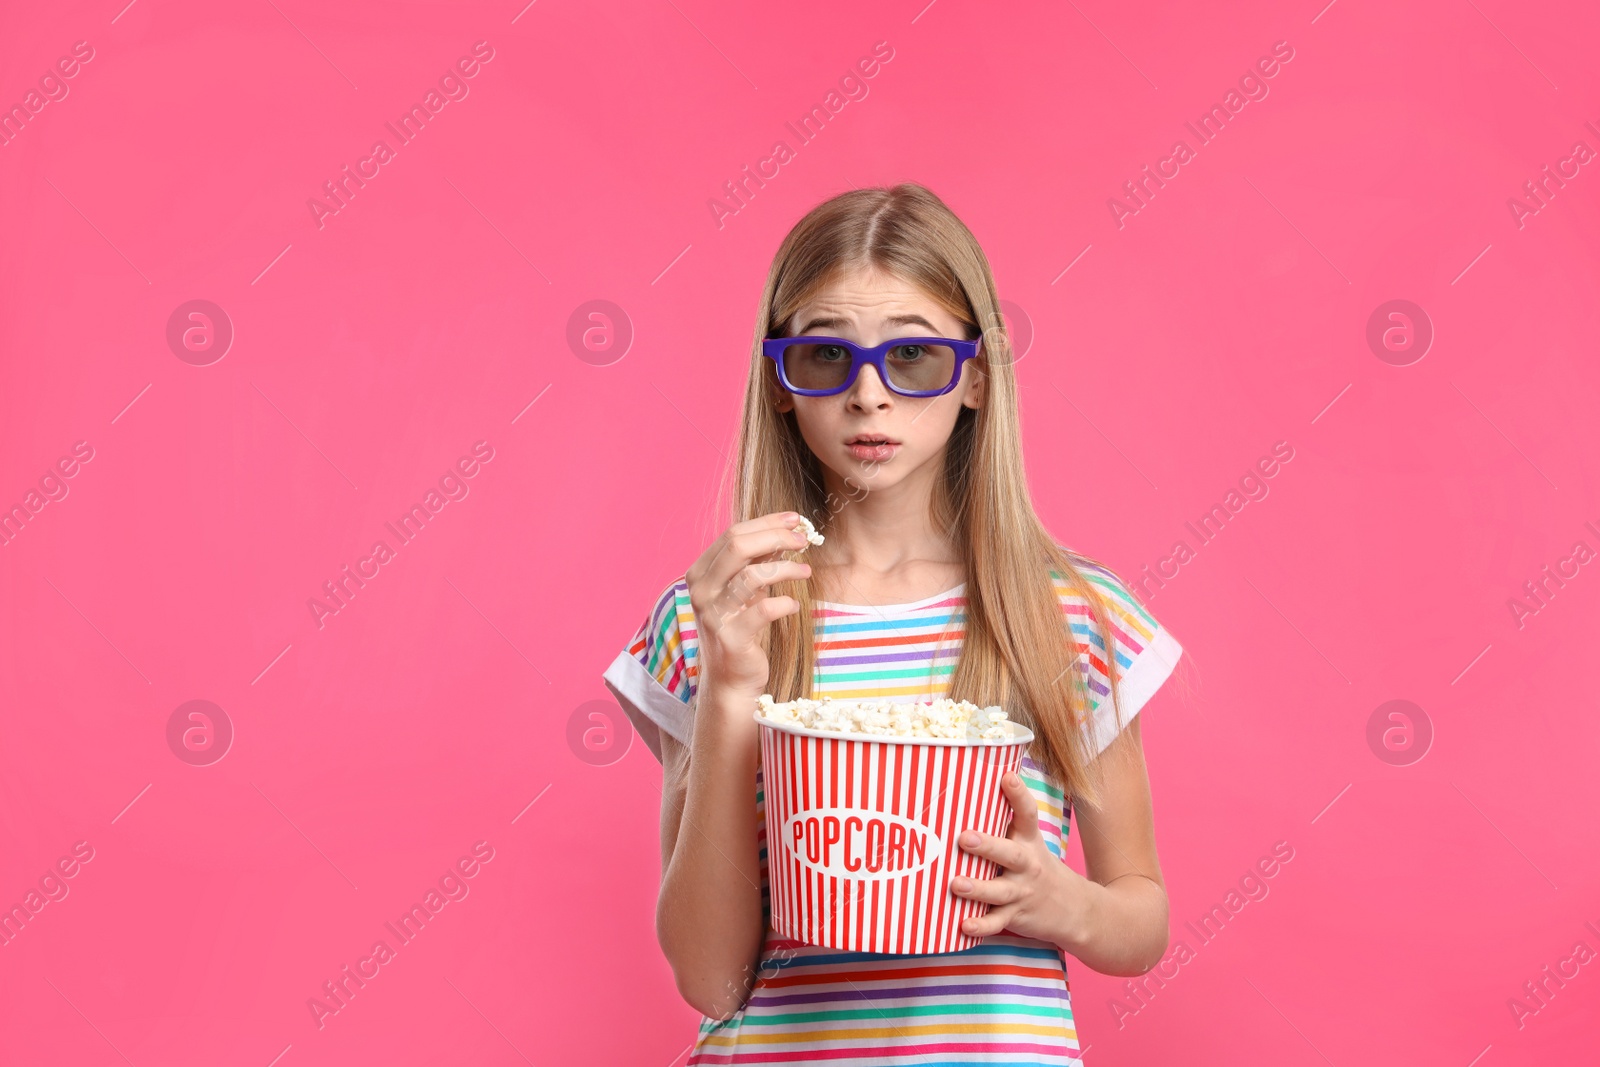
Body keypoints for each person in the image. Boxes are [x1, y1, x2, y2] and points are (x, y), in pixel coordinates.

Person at [601, 182, 1184, 1064]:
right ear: (781, 381)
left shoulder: (1071, 615)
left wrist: (1054, 900)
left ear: (978, 374)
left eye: (913, 355)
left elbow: (1140, 916)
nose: (870, 395)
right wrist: (730, 687)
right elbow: (711, 979)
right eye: (827, 356)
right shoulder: (717, 614)